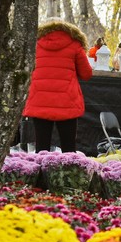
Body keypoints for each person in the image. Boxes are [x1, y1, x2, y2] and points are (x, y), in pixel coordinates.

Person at [23, 18, 92, 153]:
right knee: (68, 148)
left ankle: (41, 173)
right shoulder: (75, 44)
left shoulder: (34, 44)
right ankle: (69, 173)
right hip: (67, 102)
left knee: (41, 148)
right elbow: (86, 74)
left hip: (40, 100)